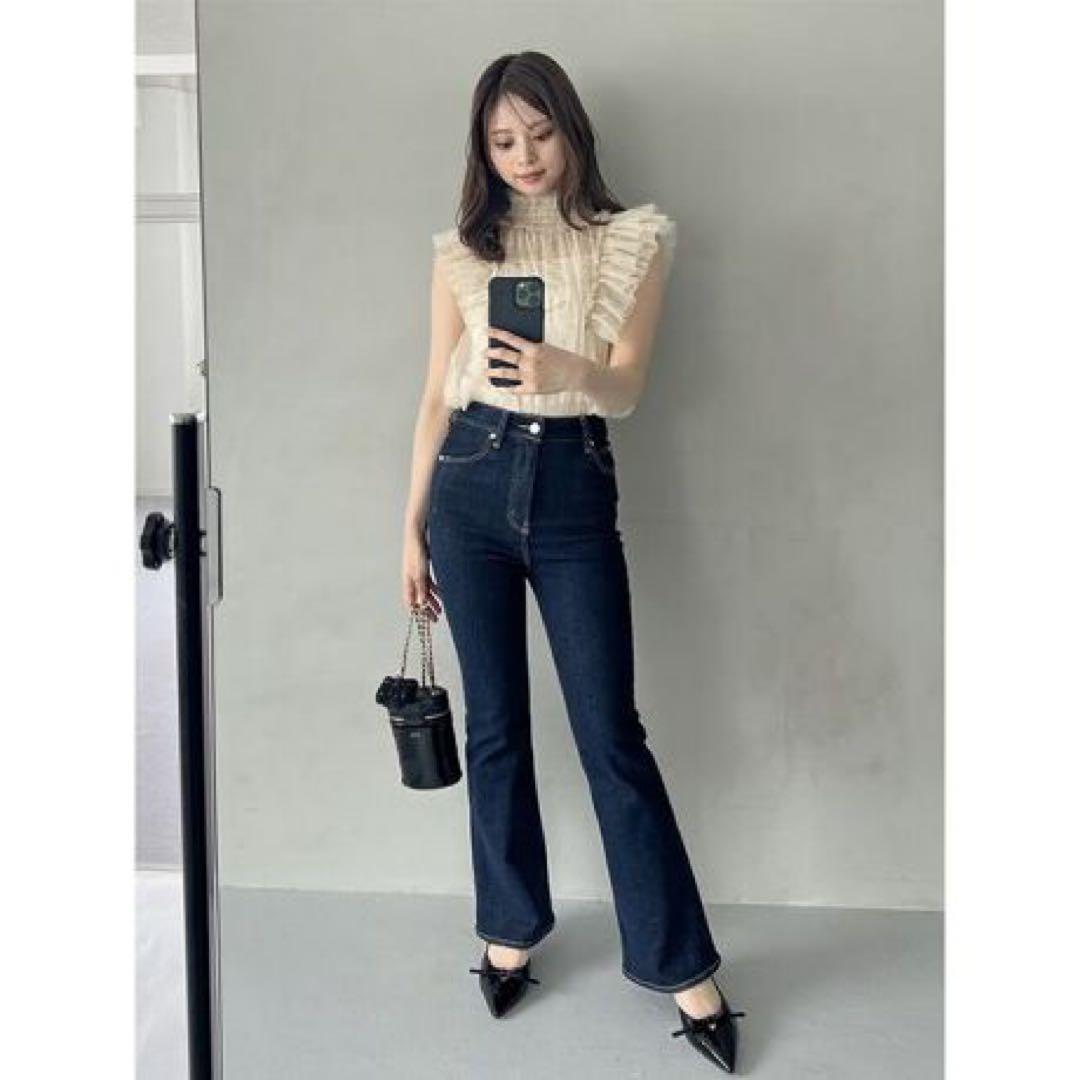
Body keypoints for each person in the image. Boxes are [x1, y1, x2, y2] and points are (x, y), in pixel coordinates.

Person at [401, 51, 747, 1073]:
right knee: (495, 726)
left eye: (540, 133)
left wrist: (567, 368)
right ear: (483, 150)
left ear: (572, 129)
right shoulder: (461, 255)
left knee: (610, 734)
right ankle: (509, 930)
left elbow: (628, 387)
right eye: (503, 141)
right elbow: (432, 395)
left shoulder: (633, 239)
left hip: (570, 483)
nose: (525, 156)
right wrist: (407, 527)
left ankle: (683, 967)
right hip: (467, 483)